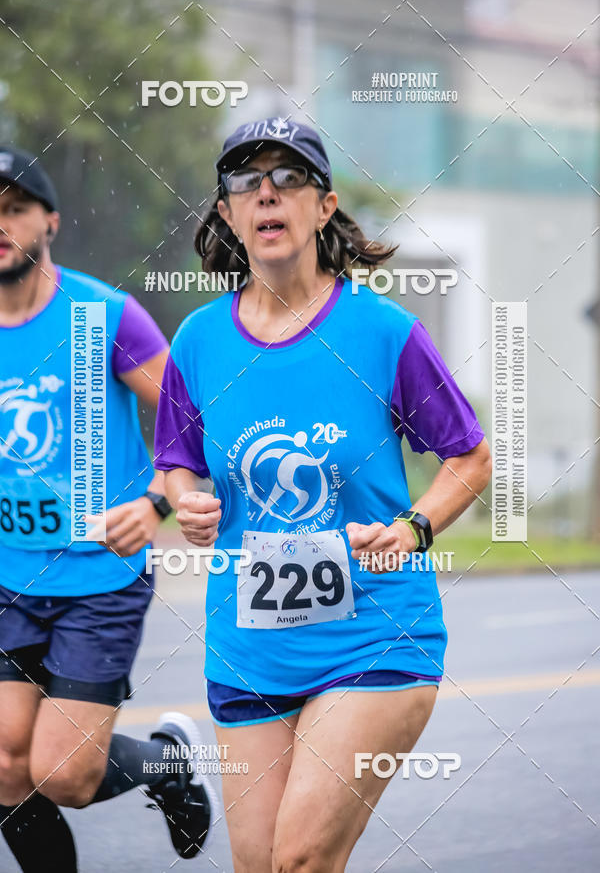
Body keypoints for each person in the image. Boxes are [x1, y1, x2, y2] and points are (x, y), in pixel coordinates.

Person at [154, 117, 492, 873]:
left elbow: (470, 457)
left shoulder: (384, 333)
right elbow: (176, 462)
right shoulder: (199, 343)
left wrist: (413, 528)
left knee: (300, 860)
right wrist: (187, 500)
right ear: (228, 213)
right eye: (246, 181)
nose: (267, 193)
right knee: (261, 867)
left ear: (324, 205)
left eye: (288, 177)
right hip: (248, 647)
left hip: (373, 635)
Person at [0, 148, 216, 872]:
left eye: (14, 208)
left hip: (99, 579)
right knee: (4, 768)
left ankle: (169, 764)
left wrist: (156, 502)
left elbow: (198, 425)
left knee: (64, 775)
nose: (0, 224)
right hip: (7, 577)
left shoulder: (104, 317)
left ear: (51, 222)